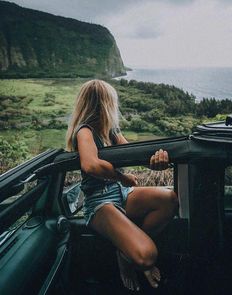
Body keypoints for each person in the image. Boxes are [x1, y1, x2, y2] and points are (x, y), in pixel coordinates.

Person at [66, 80, 178, 291]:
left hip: (122, 194)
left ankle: (126, 250)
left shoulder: (111, 132)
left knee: (169, 199)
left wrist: (157, 159)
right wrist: (122, 178)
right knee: (147, 257)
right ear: (104, 103)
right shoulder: (85, 131)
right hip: (100, 202)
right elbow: (90, 165)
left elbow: (133, 153)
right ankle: (131, 252)